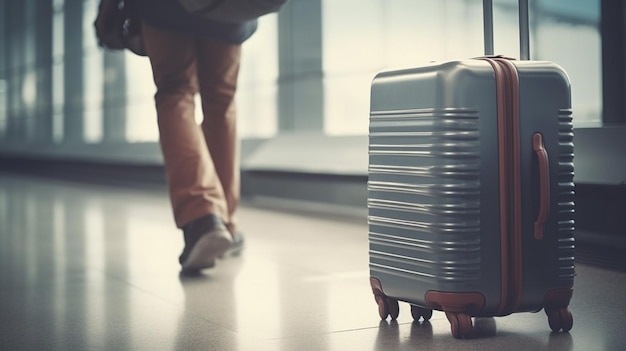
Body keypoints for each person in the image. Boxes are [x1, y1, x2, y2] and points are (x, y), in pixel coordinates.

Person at [133, 0, 257, 272]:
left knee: (175, 92)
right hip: (226, 10)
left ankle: (203, 217)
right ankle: (224, 223)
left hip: (165, 9)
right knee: (221, 101)